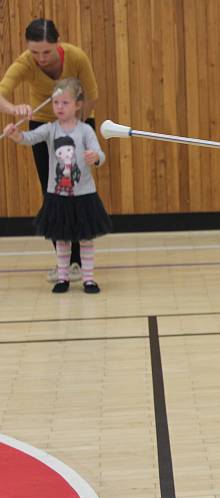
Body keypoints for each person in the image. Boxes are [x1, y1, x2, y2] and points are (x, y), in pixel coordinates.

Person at [0, 18, 100, 282]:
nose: (40, 58)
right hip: (45, 126)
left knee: (77, 190)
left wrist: (76, 127)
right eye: (34, 52)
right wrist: (13, 109)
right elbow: (1, 93)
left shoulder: (76, 57)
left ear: (58, 43)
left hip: (79, 123)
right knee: (53, 193)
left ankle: (79, 261)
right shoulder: (25, 63)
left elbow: (91, 94)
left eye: (46, 51)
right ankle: (64, 263)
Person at [3, 78, 110, 294]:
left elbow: (100, 154)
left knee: (86, 238)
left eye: (65, 103)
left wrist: (95, 157)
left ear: (77, 105)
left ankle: (88, 278)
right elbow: (29, 138)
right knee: (61, 239)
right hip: (58, 195)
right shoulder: (50, 129)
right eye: (56, 102)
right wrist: (16, 134)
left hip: (83, 195)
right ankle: (63, 278)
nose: (59, 107)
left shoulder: (85, 131)